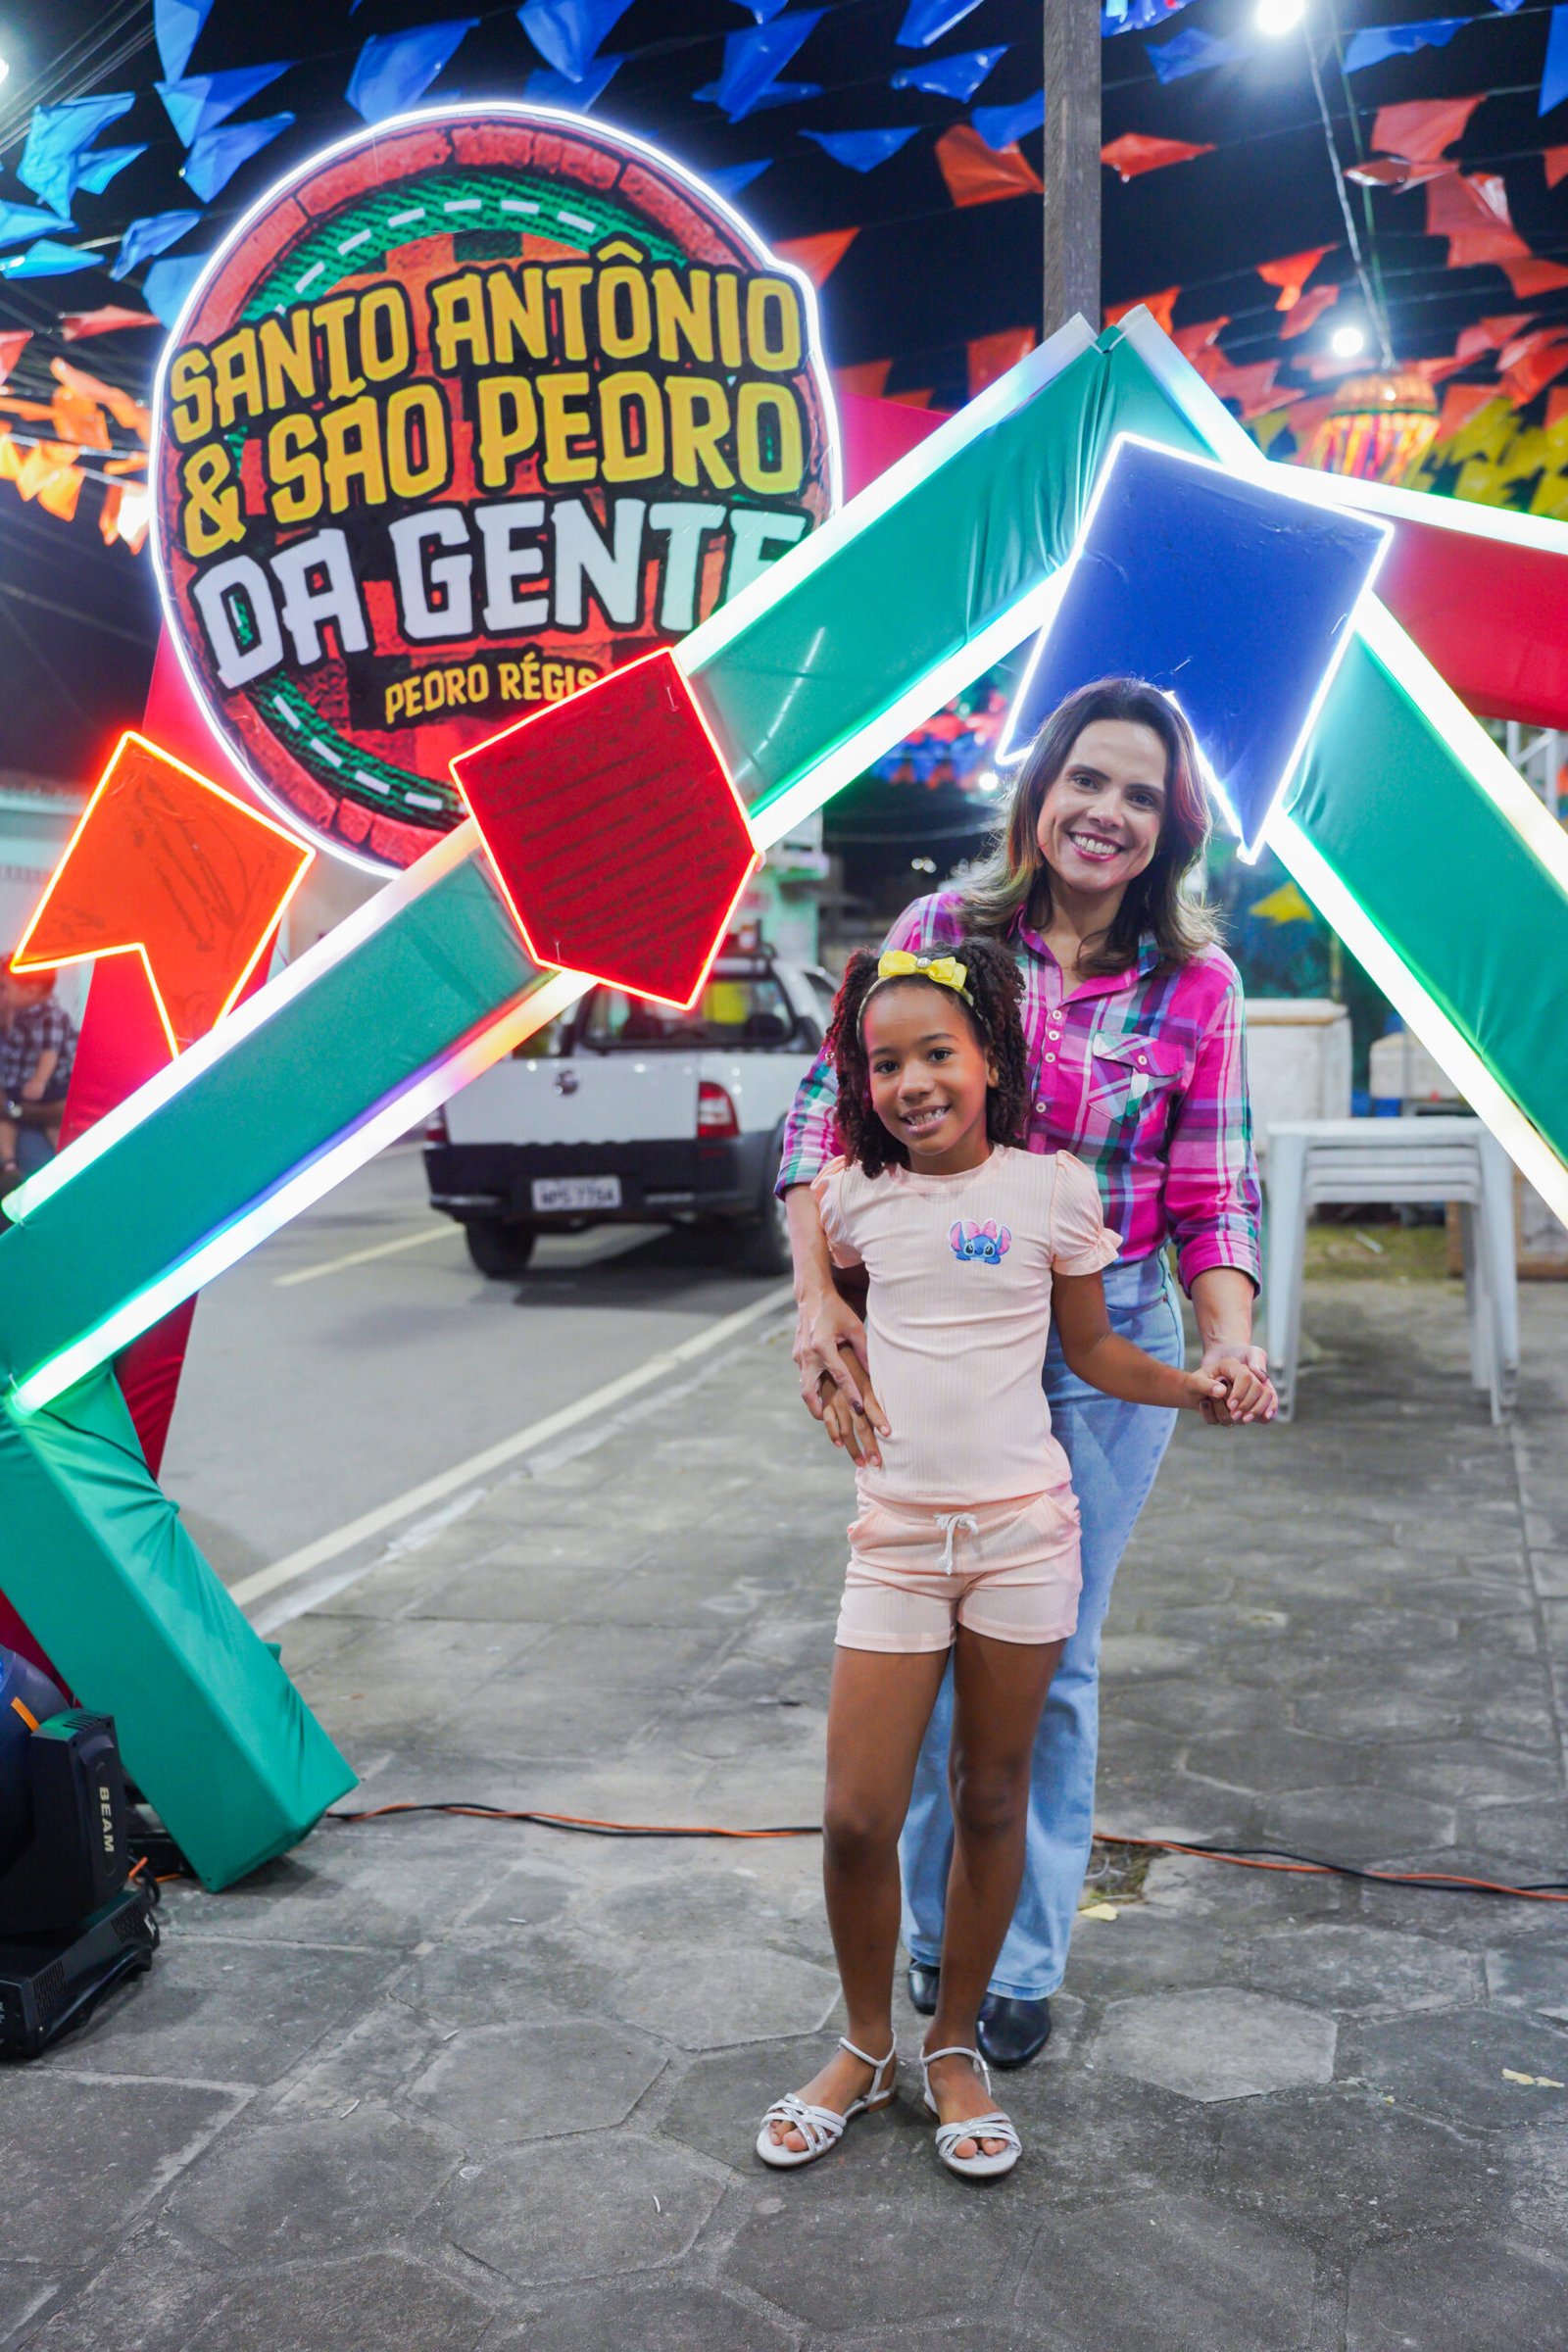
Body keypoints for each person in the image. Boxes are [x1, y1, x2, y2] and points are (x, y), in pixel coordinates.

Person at [779, 676, 1268, 2071]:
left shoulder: (1199, 985)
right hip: (941, 1329)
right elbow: (828, 1116)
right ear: (1040, 790)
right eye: (1086, 780)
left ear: (1173, 827)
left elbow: (1212, 1193)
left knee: (1047, 1663)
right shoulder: (944, 932)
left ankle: (1019, 1960)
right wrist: (816, 1297)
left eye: (1141, 795)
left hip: (1109, 1342)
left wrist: (1228, 1336)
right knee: (925, 1651)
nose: (1107, 812)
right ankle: (936, 1941)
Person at [0, 964, 76, 1186]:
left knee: (55, 1127)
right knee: (5, 1123)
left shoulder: (51, 1016)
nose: (4, 995)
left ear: (31, 992)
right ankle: (8, 1164)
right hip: (17, 1085)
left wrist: (39, 1081)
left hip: (49, 1085)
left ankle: (67, 1163)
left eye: (4, 988)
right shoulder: (20, 1013)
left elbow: (50, 1052)